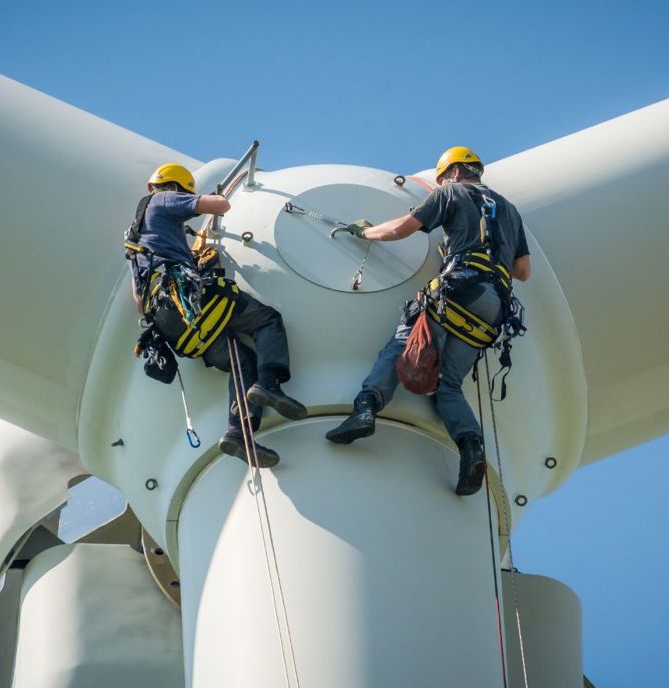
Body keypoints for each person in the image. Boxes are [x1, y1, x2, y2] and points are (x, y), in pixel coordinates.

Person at [325, 147, 531, 495]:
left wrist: (365, 233)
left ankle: (365, 409)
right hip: (493, 309)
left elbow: (402, 229)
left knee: (402, 344)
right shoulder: (509, 211)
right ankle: (471, 447)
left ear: (451, 173)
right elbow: (523, 271)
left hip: (458, 288)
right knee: (447, 385)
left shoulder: (451, 193)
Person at [127, 163, 306, 467]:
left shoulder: (134, 237)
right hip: (188, 299)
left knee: (241, 359)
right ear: (176, 187)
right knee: (266, 320)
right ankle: (270, 384)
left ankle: (238, 433)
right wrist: (216, 197)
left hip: (170, 322)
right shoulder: (164, 200)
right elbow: (219, 205)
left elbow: (138, 302)